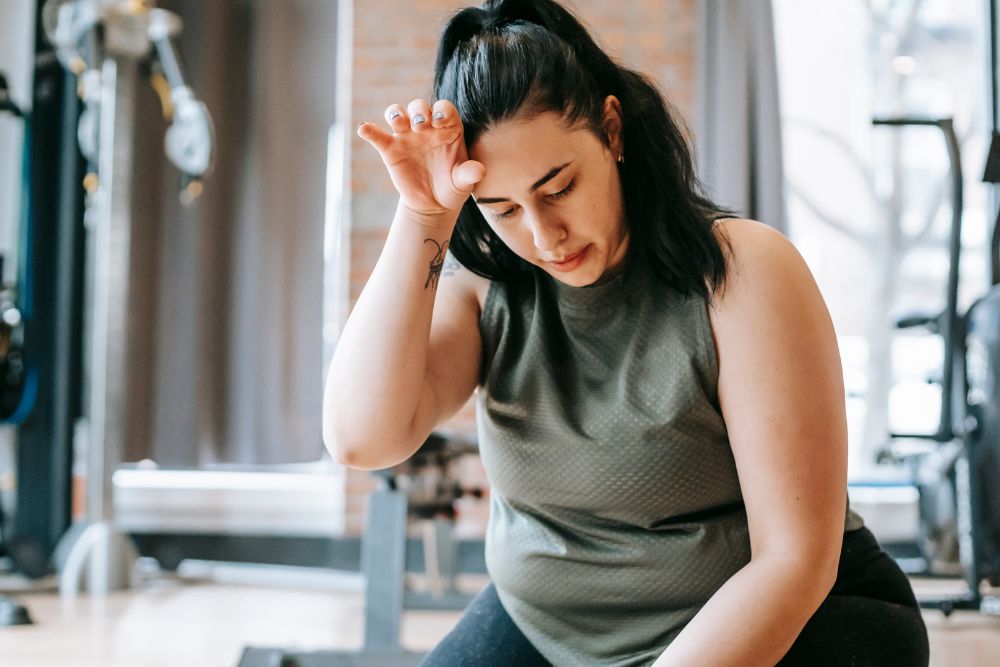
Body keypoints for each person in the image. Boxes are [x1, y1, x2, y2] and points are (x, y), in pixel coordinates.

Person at [323, 0, 931, 664]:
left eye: (558, 186)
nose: (543, 234)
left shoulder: (743, 271)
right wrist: (423, 215)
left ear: (611, 131)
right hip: (548, 625)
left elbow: (792, 561)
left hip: (796, 617)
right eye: (503, 209)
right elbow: (361, 437)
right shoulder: (487, 286)